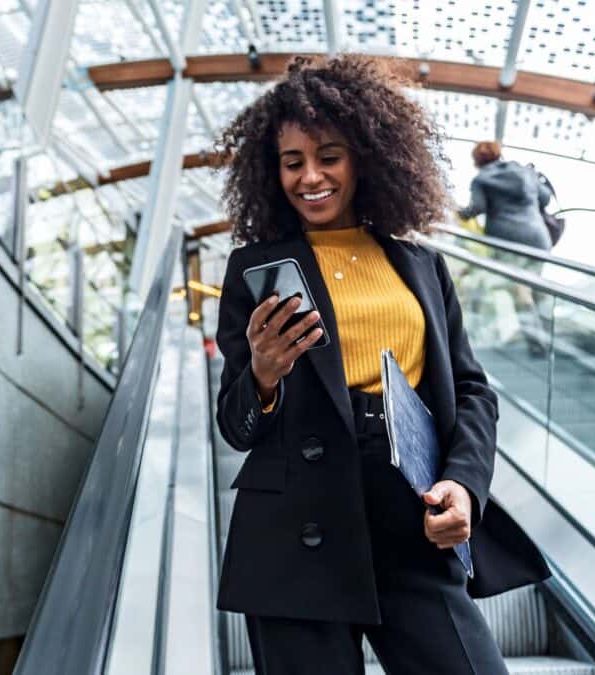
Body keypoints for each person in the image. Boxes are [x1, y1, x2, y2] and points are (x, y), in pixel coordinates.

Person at [212, 55, 549, 675]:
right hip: (295, 532)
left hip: (411, 519)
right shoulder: (254, 270)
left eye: (328, 157)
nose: (310, 177)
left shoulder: (420, 264)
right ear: (272, 170)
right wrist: (261, 374)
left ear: (365, 156)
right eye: (293, 162)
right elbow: (235, 428)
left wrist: (466, 486)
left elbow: (472, 391)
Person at [458, 142, 554, 355]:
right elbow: (545, 197)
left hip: (509, 241)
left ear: (477, 161)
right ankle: (548, 336)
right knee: (538, 289)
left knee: (520, 291)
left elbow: (478, 208)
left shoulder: (482, 179)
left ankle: (538, 344)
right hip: (538, 237)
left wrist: (460, 212)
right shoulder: (523, 171)